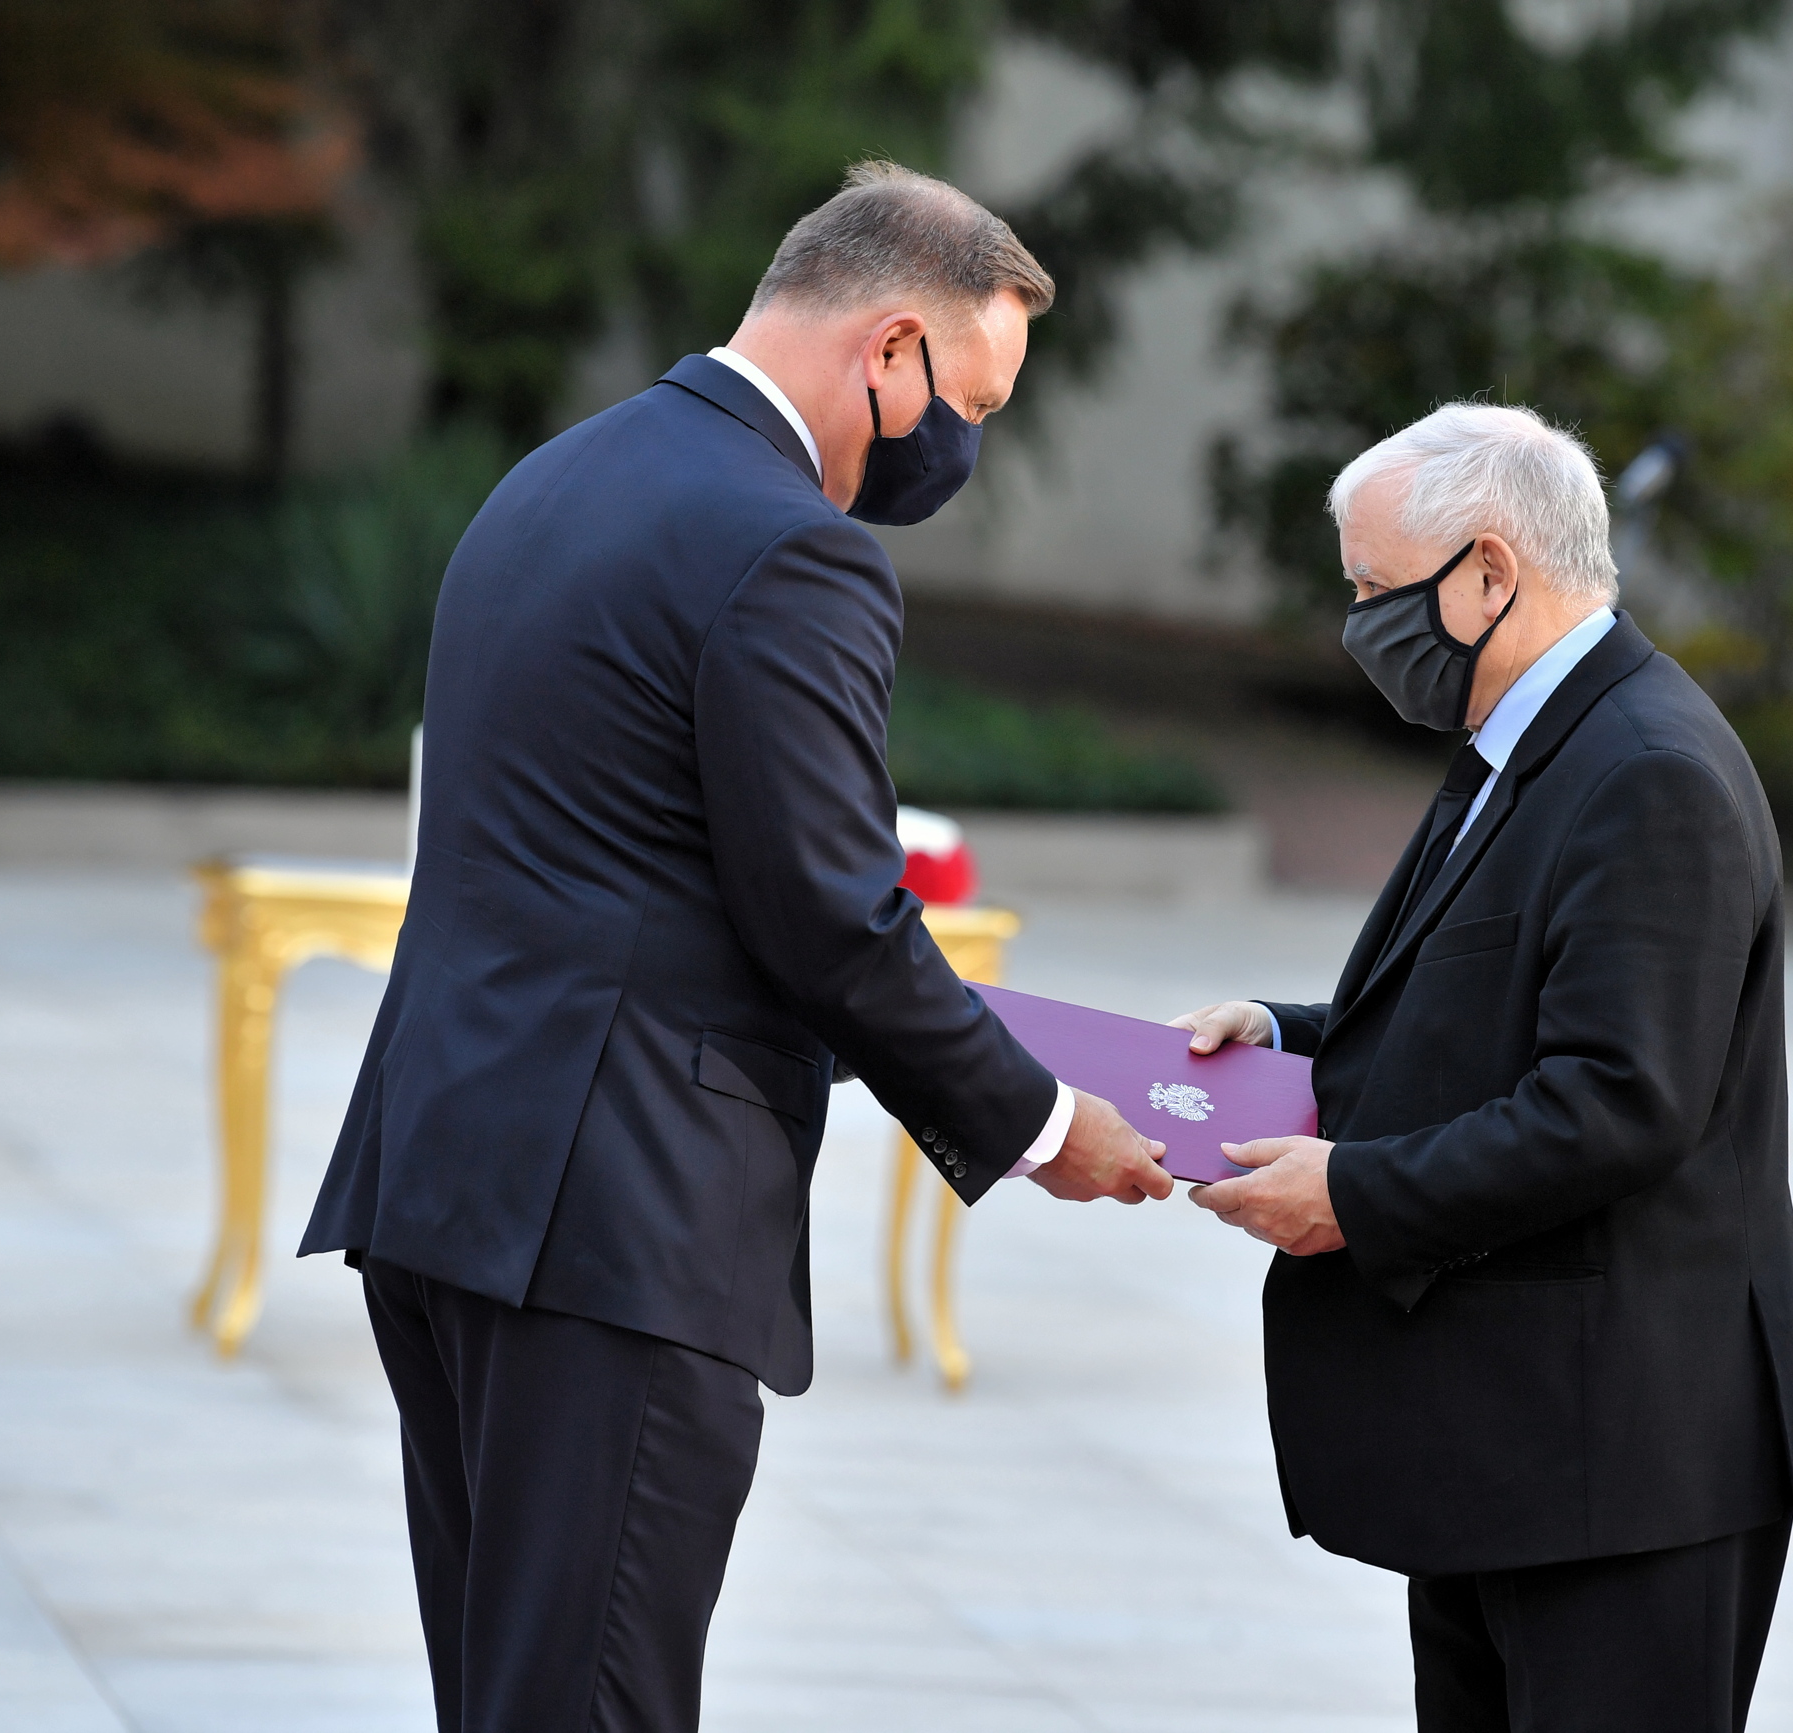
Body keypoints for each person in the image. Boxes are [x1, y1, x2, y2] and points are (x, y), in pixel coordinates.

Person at [299, 162, 1174, 1733]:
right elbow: (833, 918)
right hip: (613, 1221)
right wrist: (1047, 1121)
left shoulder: (555, 478)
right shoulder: (794, 548)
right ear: (888, 350)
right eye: (967, 401)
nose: (963, 446)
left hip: (448, 1182)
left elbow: (658, 861)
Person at [1172, 403, 1793, 1732]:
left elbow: (1619, 1099)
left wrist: (1356, 1193)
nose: (1360, 623)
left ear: (1489, 571)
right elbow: (1477, 1000)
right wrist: (1290, 1033)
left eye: (1376, 591)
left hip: (1625, 1462)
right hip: (1519, 1444)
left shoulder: (1649, 768)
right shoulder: (1529, 742)